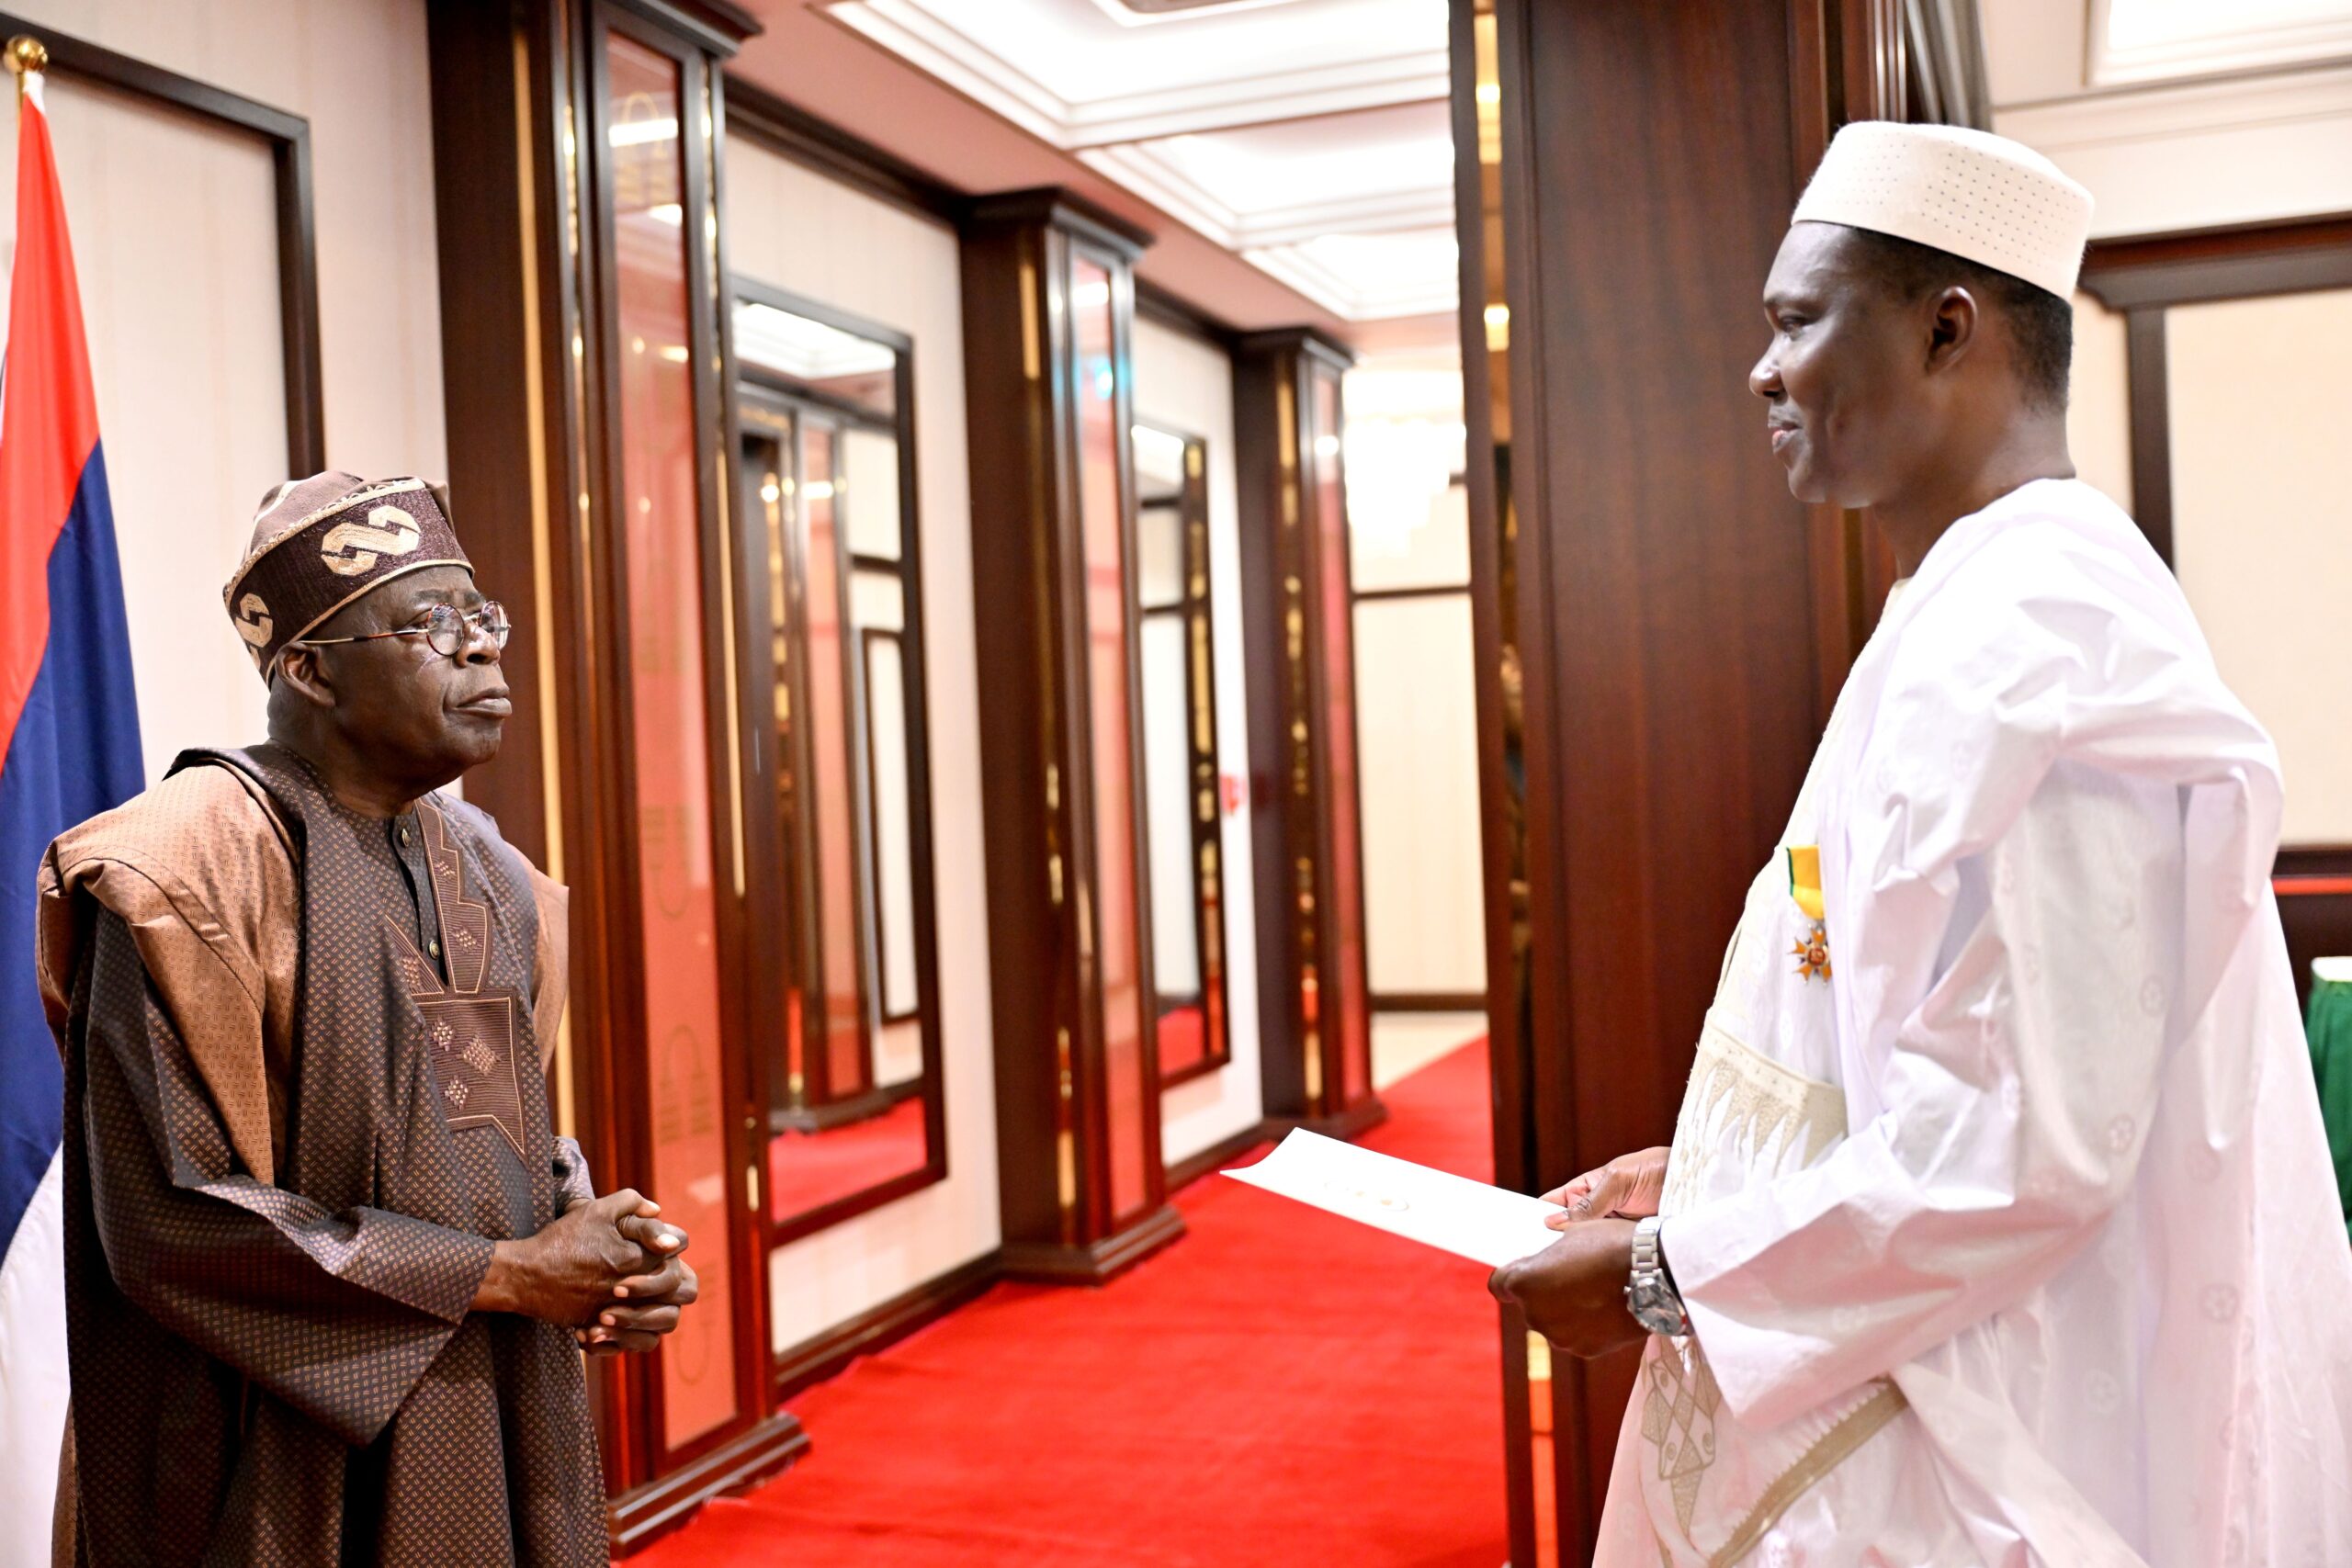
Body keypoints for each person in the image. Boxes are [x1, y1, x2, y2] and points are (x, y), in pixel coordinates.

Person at [1487, 122, 2352, 1565]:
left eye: (1796, 321)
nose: (1762, 372)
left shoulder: (2046, 634)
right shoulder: (1960, 603)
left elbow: (2023, 1144)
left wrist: (1664, 1276)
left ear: (1948, 327)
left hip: (1995, 1434)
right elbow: (1895, 1024)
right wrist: (1706, 1173)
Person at [35, 472, 696, 1565]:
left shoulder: (495, 873)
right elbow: (169, 1221)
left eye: (486, 623)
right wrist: (514, 1272)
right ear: (308, 668)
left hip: (499, 1405)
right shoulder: (174, 872)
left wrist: (593, 1240)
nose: (484, 653)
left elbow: (468, 1122)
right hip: (279, 1451)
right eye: (437, 627)